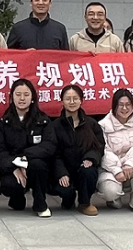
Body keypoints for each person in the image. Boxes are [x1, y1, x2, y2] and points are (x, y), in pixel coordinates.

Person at [0, 78, 55, 217]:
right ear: (11, 97)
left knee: (38, 165)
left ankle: (40, 203)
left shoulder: (43, 120)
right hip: (12, 166)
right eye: (18, 94)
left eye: (26, 95)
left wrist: (26, 157)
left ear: (32, 98)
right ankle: (17, 197)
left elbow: (49, 146)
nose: (22, 98)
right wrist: (14, 166)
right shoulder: (3, 122)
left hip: (34, 165)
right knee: (10, 184)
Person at [46, 84, 105, 216]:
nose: (72, 102)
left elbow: (99, 146)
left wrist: (90, 158)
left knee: (89, 172)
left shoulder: (92, 124)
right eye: (68, 99)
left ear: (81, 100)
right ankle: (68, 198)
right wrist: (61, 173)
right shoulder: (54, 126)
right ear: (61, 101)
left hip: (82, 168)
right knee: (64, 190)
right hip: (64, 170)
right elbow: (54, 153)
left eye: (75, 98)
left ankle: (85, 203)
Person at [97, 88, 133, 213]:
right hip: (110, 169)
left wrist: (129, 163)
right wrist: (116, 170)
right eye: (121, 105)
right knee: (110, 191)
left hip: (131, 166)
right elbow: (104, 151)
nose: (124, 108)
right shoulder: (103, 125)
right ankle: (114, 199)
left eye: (128, 105)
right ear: (114, 106)